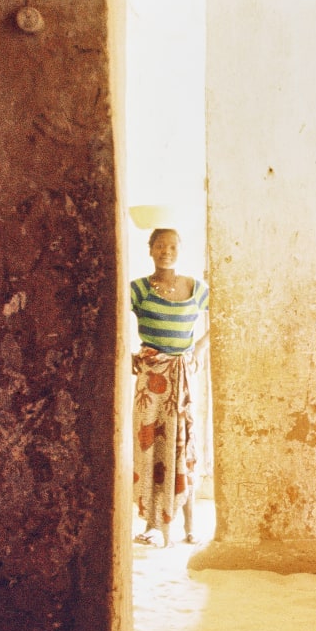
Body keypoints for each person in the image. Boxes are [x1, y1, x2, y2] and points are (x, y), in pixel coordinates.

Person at [130, 227, 209, 547]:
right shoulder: (137, 289)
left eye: (173, 246)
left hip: (183, 378)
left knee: (184, 446)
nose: (166, 251)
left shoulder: (196, 288)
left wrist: (198, 350)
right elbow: (114, 320)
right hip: (151, 381)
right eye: (160, 246)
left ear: (180, 250)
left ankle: (190, 526)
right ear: (150, 250)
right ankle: (152, 525)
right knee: (150, 447)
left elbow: (224, 315)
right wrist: (128, 354)